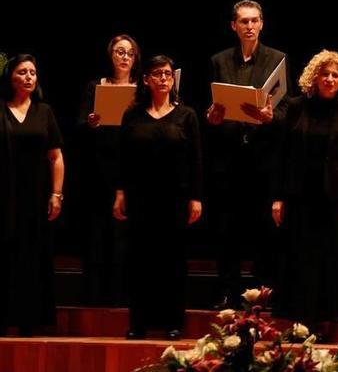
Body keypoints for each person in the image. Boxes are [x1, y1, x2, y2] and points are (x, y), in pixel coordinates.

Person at [205, 0, 290, 307]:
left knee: (264, 229)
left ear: (262, 24)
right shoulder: (219, 60)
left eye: (255, 20)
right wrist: (212, 118)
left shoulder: (277, 59)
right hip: (229, 159)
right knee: (227, 229)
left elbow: (285, 108)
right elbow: (213, 106)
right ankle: (227, 290)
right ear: (234, 26)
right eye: (244, 21)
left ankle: (260, 292)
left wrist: (272, 117)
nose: (250, 26)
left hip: (263, 158)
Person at [271, 50, 338, 337]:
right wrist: (278, 197)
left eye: (335, 75)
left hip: (333, 199)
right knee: (300, 259)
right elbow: (282, 154)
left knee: (329, 261)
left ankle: (323, 323)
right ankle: (299, 322)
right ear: (315, 77)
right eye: (325, 74)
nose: (330, 79)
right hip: (300, 197)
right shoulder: (297, 107)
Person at [114, 55, 202, 340]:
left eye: (167, 74)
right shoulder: (132, 115)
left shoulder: (186, 115)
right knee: (139, 261)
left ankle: (172, 322)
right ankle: (138, 323)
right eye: (157, 74)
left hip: (174, 198)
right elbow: (123, 159)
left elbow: (195, 160)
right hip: (141, 198)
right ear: (146, 80)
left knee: (173, 262)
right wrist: (120, 193)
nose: (164, 78)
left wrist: (195, 197)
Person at [0, 55, 64, 336]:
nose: (28, 77)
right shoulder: (0, 109)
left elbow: (56, 157)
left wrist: (56, 194)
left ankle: (30, 319)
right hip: (4, 194)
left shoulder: (44, 111)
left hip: (36, 195)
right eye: (22, 72)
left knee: (33, 255)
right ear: (9, 77)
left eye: (33, 72)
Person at [77, 34, 140, 306]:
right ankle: (94, 295)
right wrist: (92, 122)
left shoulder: (142, 89)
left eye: (129, 53)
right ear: (111, 56)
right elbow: (81, 122)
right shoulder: (96, 86)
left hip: (131, 167)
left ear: (135, 58)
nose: (124, 57)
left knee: (125, 235)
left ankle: (122, 295)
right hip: (99, 168)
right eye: (119, 52)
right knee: (97, 232)